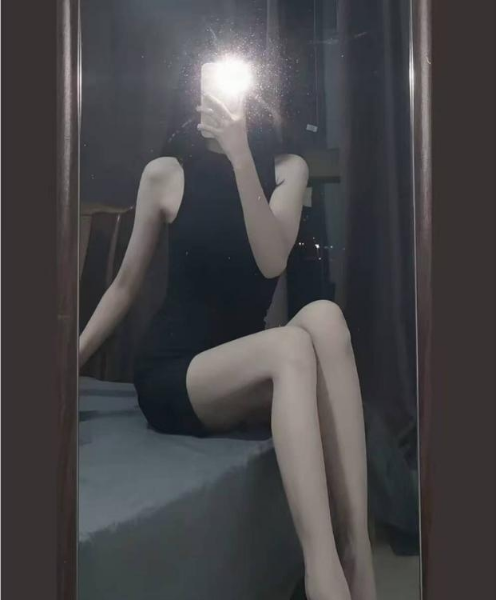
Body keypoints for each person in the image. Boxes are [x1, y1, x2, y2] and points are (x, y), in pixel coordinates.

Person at [79, 73, 376, 600]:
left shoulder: (287, 170)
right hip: (176, 371)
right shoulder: (166, 174)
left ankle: (358, 555)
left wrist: (241, 158)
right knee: (290, 346)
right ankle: (322, 571)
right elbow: (124, 286)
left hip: (247, 361)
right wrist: (68, 363)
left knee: (325, 319)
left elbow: (271, 260)